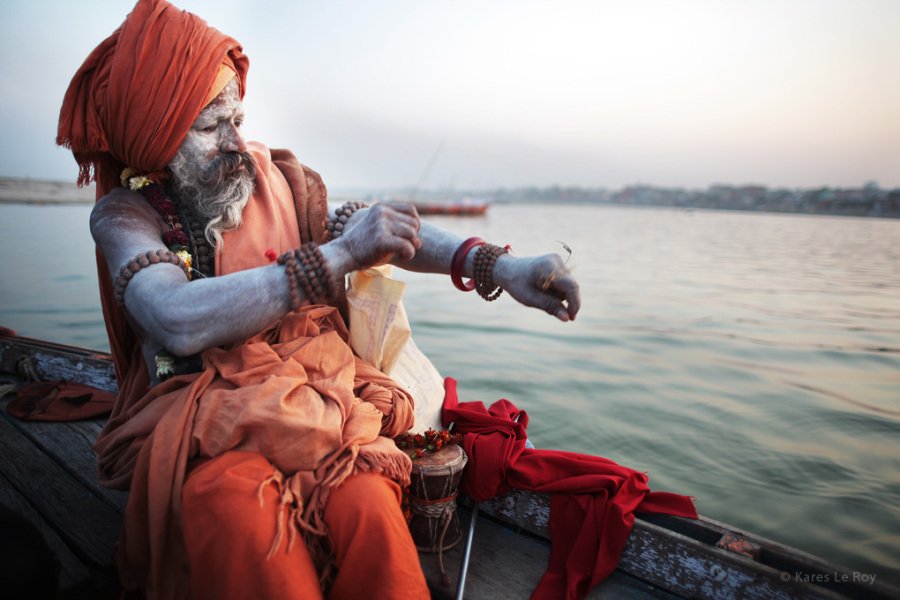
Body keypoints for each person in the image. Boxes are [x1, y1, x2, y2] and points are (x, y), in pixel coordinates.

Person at [56, 1, 580, 598]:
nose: (235, 142)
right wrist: (335, 258)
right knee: (238, 514)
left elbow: (383, 231)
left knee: (370, 505)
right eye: (209, 127)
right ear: (155, 142)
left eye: (238, 118)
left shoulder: (274, 180)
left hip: (322, 410)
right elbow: (173, 318)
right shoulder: (127, 215)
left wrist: (503, 266)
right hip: (205, 429)